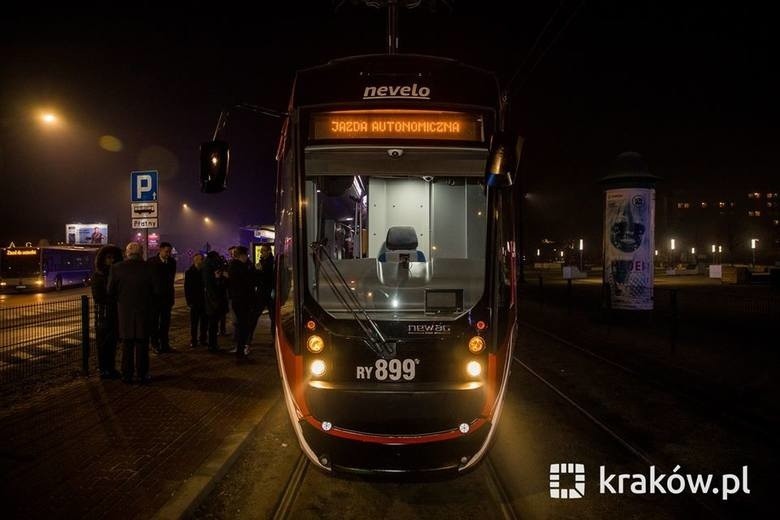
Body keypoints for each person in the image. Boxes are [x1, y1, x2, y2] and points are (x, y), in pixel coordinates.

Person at [108, 242, 157, 383]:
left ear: (127, 253)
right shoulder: (149, 268)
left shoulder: (116, 268)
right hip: (144, 311)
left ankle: (126, 374)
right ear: (141, 253)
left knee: (127, 345)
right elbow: (156, 290)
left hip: (125, 313)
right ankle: (142, 373)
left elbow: (110, 291)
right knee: (142, 345)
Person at [92, 244, 123, 379]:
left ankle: (110, 368)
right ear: (103, 259)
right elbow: (99, 297)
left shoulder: (115, 274)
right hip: (103, 315)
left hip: (115, 314)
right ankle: (104, 369)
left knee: (112, 343)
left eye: (113, 258)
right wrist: (115, 299)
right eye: (108, 257)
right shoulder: (98, 276)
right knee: (103, 343)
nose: (111, 260)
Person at [148, 242, 177, 353]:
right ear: (160, 250)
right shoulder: (151, 262)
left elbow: (171, 279)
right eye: (166, 252)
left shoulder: (172, 262)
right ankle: (154, 344)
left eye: (169, 252)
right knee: (154, 323)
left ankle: (165, 344)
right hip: (155, 299)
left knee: (165, 323)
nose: (168, 254)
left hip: (167, 298)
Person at [227, 246, 255, 359]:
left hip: (241, 300)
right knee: (242, 326)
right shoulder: (237, 267)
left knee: (243, 325)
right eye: (246, 255)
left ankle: (241, 350)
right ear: (242, 256)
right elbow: (246, 281)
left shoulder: (239, 266)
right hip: (241, 301)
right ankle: (240, 351)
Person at [203, 251, 228, 352]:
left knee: (212, 325)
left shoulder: (207, 267)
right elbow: (214, 287)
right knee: (213, 325)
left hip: (212, 302)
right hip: (214, 302)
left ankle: (212, 345)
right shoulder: (212, 269)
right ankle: (212, 346)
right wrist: (219, 279)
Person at [184, 253, 208, 348]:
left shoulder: (204, 271)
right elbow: (187, 288)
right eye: (199, 259)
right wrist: (189, 301)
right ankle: (193, 340)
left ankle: (203, 339)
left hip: (204, 301)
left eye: (202, 259)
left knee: (204, 322)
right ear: (195, 260)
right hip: (194, 302)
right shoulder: (190, 272)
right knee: (194, 323)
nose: (201, 261)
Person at [255, 244, 276, 335]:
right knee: (255, 315)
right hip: (263, 292)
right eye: (261, 250)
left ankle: (274, 337)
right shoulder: (263, 261)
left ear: (269, 251)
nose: (261, 252)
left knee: (272, 316)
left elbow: (268, 277)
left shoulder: (271, 262)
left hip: (267, 292)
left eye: (263, 250)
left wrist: (259, 271)